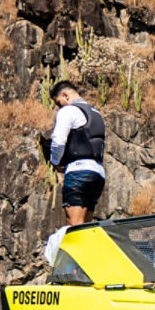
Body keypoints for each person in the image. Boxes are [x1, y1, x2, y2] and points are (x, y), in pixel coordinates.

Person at [48, 81, 105, 227]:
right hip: (98, 174)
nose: (59, 107)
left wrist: (55, 161)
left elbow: (58, 141)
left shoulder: (68, 111)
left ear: (65, 95)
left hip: (78, 172)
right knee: (86, 225)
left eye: (59, 103)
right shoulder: (96, 113)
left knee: (75, 225)